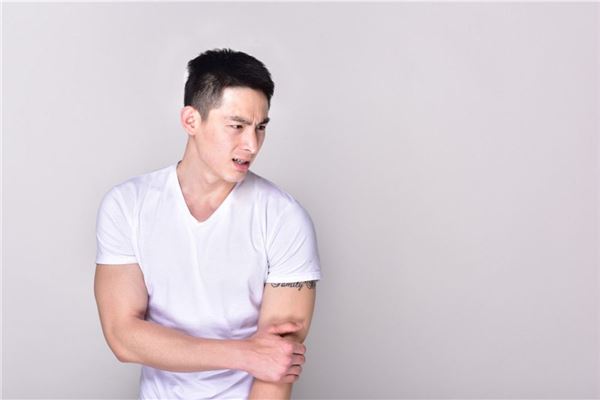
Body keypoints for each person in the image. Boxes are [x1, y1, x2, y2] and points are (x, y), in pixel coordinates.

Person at [93, 48, 322, 399]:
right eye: (236, 126)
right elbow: (123, 337)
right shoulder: (127, 205)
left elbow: (276, 364)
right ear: (191, 121)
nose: (252, 145)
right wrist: (245, 354)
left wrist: (260, 357)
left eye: (260, 128)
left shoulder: (284, 218)